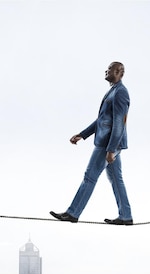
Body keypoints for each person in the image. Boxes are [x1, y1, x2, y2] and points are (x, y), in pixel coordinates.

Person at [50, 61, 133, 225]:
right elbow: (102, 120)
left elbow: (119, 123)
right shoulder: (113, 91)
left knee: (90, 177)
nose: (106, 70)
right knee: (116, 179)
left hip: (107, 144)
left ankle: (73, 213)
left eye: (110, 69)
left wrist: (110, 149)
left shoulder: (121, 93)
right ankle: (126, 215)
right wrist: (82, 135)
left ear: (119, 72)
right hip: (109, 144)